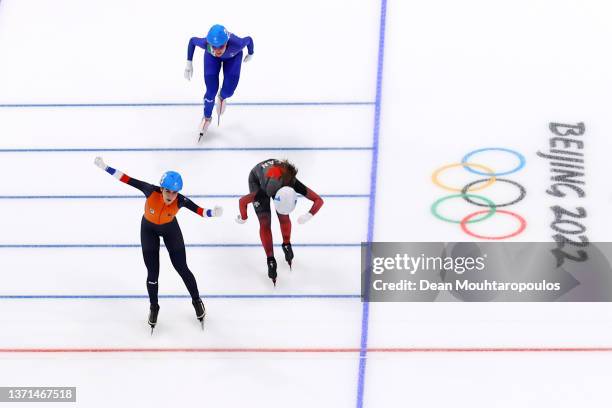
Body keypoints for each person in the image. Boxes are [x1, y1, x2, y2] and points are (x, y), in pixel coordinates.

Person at [93, 157, 223, 332]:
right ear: (161, 188)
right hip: (148, 230)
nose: (170, 196)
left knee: (182, 268)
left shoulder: (181, 201)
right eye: (168, 191)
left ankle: (197, 301)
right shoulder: (150, 190)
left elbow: (200, 211)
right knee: (153, 274)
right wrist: (106, 167)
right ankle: (154, 307)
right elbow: (127, 179)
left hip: (171, 231)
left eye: (174, 192)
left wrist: (213, 213)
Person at [236, 159, 324, 285]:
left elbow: (318, 200)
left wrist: (309, 215)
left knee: (282, 216)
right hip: (258, 179)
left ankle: (286, 245)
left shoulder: (293, 182)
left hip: (275, 180)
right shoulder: (267, 188)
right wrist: (244, 217)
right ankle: (271, 260)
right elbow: (242, 201)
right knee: (265, 222)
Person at [184, 24, 254, 140]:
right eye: (214, 47)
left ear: (227, 42)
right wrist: (189, 63)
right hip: (211, 59)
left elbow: (249, 40)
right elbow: (192, 41)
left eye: (221, 47)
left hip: (233, 57)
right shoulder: (206, 44)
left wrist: (251, 53)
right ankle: (206, 118)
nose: (217, 50)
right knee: (211, 91)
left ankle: (222, 96)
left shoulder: (237, 44)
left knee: (229, 91)